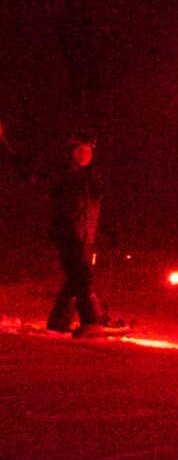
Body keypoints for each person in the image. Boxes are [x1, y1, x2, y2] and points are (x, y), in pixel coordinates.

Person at [2, 123, 123, 336]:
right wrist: (5, 147)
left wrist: (110, 236)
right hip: (67, 236)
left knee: (75, 281)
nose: (84, 155)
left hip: (86, 237)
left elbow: (98, 211)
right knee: (82, 279)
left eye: (88, 151)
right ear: (72, 152)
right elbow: (30, 173)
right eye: (80, 151)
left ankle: (59, 323)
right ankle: (91, 321)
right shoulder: (63, 175)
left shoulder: (93, 179)